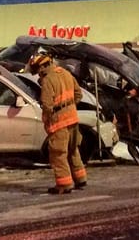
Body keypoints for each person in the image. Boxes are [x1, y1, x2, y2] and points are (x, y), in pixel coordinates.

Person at [29, 52, 87, 194]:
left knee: (58, 154)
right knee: (73, 150)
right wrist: (70, 106)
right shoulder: (66, 73)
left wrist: (47, 119)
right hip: (73, 119)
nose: (38, 72)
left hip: (59, 122)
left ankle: (64, 184)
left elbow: (47, 105)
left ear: (44, 65)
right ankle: (80, 178)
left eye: (38, 68)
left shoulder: (48, 80)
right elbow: (78, 94)